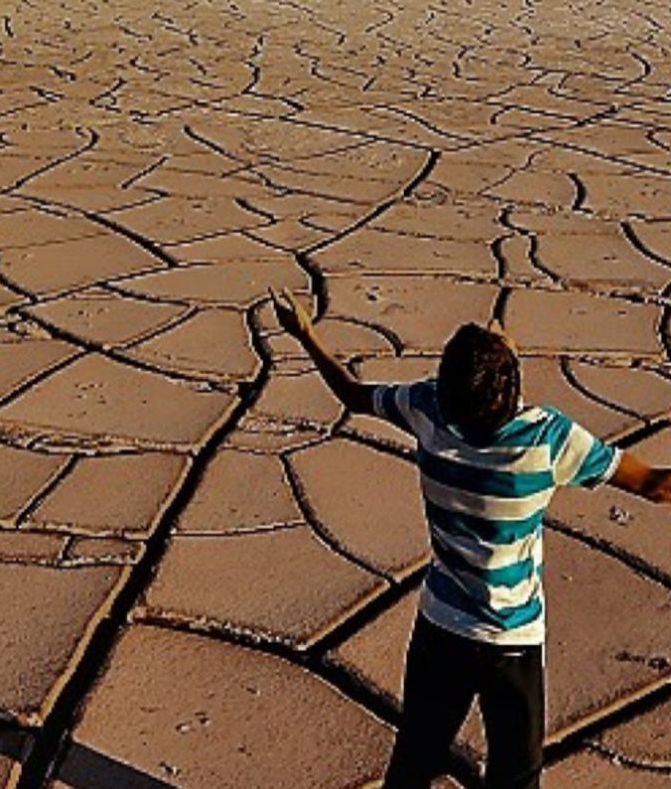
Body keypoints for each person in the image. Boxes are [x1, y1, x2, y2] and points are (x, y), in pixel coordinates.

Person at [269, 287, 671, 789]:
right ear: (511, 388)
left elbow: (352, 392)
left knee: (414, 762)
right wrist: (503, 357)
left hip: (441, 627)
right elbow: (657, 487)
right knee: (515, 777)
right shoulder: (549, 440)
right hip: (512, 639)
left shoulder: (428, 409)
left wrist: (305, 334)